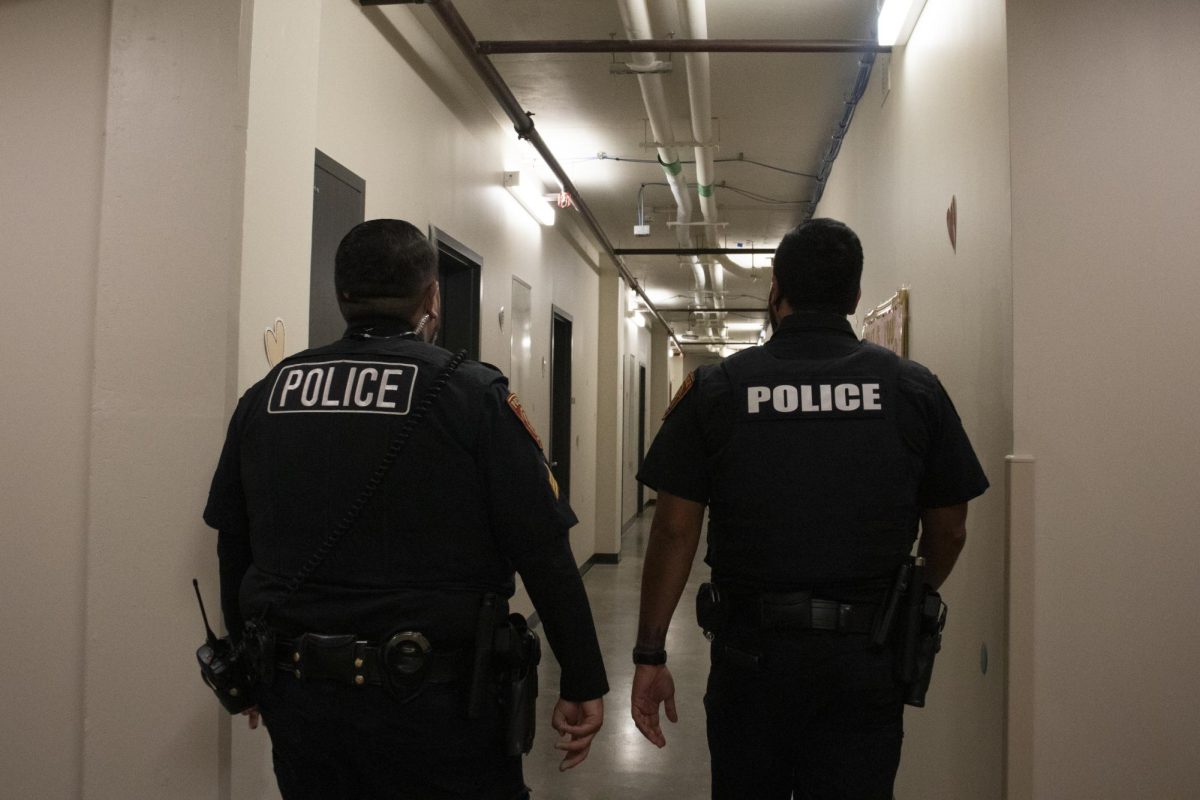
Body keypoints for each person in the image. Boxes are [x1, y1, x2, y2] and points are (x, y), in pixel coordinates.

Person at [203, 219, 607, 800]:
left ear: (341, 295)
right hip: (437, 705)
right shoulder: (472, 395)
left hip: (303, 699)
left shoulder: (270, 394)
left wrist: (247, 669)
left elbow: (233, 544)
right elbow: (543, 551)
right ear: (432, 297)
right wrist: (583, 677)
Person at [629, 218, 989, 799]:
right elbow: (949, 528)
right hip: (866, 656)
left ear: (777, 288)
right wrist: (907, 600)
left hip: (752, 656)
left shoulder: (721, 389)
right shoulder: (911, 389)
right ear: (853, 296)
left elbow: (673, 529)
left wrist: (650, 654)